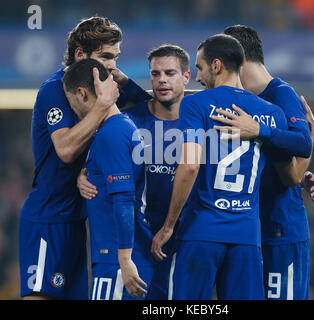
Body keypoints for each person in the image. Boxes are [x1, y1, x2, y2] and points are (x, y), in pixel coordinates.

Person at [151, 34, 299, 300]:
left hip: (201, 232)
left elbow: (189, 166)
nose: (196, 76)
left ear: (216, 66)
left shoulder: (195, 104)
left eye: (199, 67)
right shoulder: (272, 114)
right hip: (246, 237)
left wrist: (169, 226)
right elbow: (290, 168)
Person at [18, 16, 148, 300]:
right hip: (49, 218)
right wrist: (102, 106)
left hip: (80, 221)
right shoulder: (55, 89)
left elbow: (152, 110)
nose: (112, 64)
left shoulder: (106, 83)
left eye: (116, 57)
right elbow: (65, 149)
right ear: (80, 55)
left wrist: (125, 81)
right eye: (105, 56)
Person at [209, 24, 314, 299]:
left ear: (237, 59)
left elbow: (296, 160)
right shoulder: (248, 99)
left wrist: (261, 131)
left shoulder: (282, 95)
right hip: (253, 231)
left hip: (281, 230)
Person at [77, 44, 191, 299]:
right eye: (155, 74)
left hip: (184, 241)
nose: (161, 79)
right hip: (140, 241)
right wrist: (81, 175)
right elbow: (104, 161)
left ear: (186, 77)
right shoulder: (131, 120)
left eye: (170, 73)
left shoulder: (197, 120)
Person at [62, 58, 156, 300]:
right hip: (125, 257)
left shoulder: (111, 135)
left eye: (71, 102)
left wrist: (124, 260)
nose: (73, 109)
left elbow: (123, 199)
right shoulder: (123, 128)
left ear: (81, 94)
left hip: (116, 261)